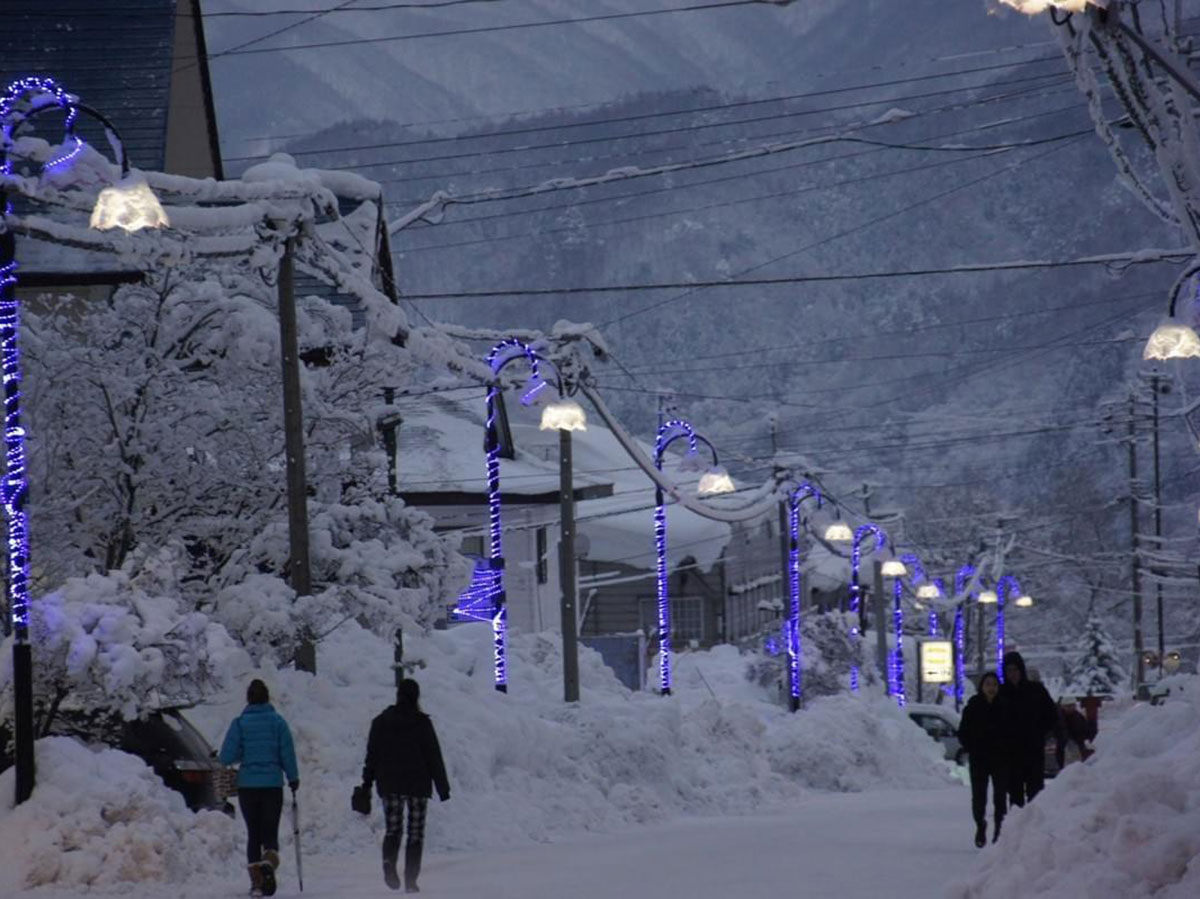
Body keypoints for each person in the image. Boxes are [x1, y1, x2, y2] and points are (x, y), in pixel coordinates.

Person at [362, 678, 450, 893]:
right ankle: (411, 881)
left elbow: (371, 755)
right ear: (416, 697)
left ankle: (388, 863)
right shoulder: (422, 723)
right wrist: (442, 786)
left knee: (393, 829)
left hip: (389, 783)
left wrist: (367, 781)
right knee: (416, 833)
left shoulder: (380, 721)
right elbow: (433, 755)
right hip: (418, 785)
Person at [220, 679, 299, 898]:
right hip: (272, 785)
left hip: (247, 786)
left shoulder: (240, 723)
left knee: (253, 834)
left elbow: (227, 756)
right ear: (267, 698)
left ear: (249, 699)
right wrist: (293, 778)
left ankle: (256, 884)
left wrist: (242, 755)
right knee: (269, 832)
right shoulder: (278, 723)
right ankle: (269, 863)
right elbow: (287, 754)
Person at [958, 672, 1010, 847]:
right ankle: (980, 825)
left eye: (994, 684)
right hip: (979, 759)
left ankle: (999, 831)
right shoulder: (973, 706)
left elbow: (1012, 731)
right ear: (982, 686)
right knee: (979, 797)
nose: (991, 688)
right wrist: (971, 747)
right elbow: (963, 731)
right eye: (988, 684)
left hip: (1000, 759)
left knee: (1000, 797)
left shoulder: (1004, 706)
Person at [1000, 650, 1058, 807]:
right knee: (1014, 794)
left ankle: (1034, 825)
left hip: (1033, 749)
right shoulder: (1001, 694)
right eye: (1008, 670)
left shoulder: (1035, 691)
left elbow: (1052, 714)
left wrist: (1041, 733)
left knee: (1036, 793)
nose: (1012, 674)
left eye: (1015, 669)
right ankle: (1017, 826)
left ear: (1021, 670)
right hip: (1011, 753)